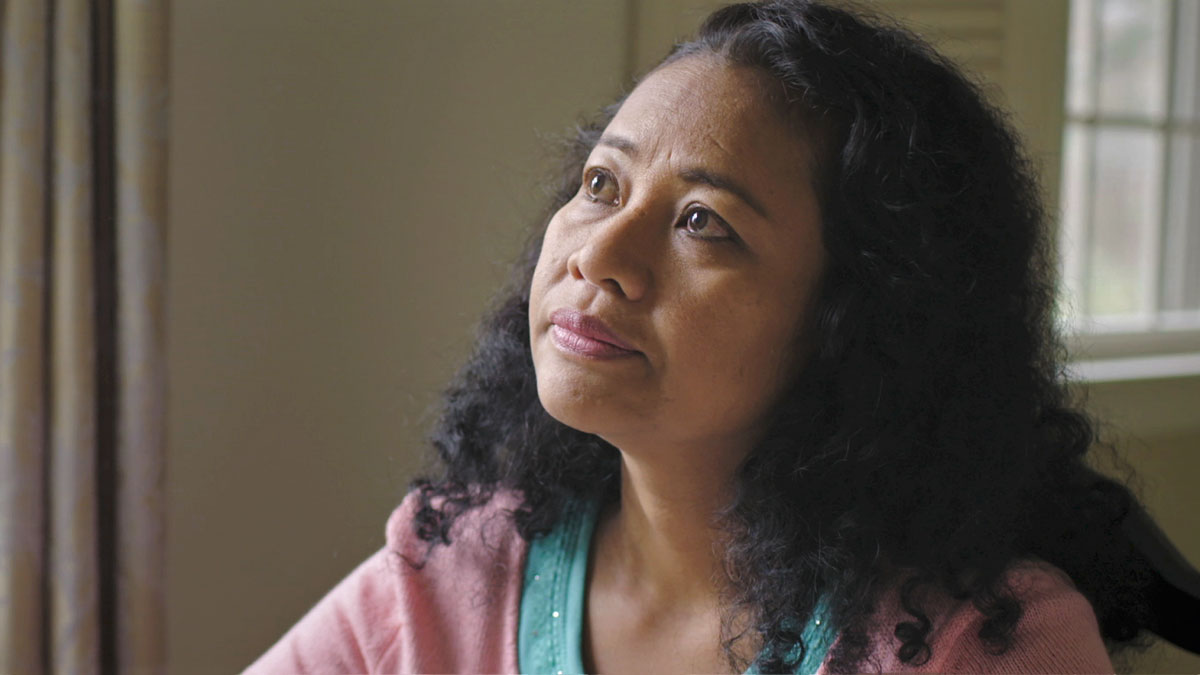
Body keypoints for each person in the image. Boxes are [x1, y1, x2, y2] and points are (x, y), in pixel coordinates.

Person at [245, 1, 1157, 672]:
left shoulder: (981, 647)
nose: (600, 254)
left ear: (861, 321)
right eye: (601, 185)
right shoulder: (454, 565)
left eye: (702, 223)